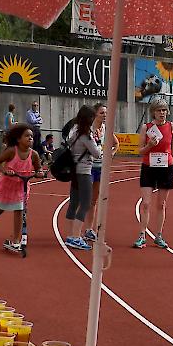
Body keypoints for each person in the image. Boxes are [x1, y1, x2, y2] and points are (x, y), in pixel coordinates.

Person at [0, 124, 44, 252]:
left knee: (19, 210)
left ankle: (16, 240)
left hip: (22, 186)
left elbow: (38, 168)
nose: (30, 138)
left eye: (32, 136)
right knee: (0, 209)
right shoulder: (11, 151)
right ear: (18, 139)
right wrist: (4, 171)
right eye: (27, 136)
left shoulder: (34, 154)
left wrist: (40, 173)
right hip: (7, 186)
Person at [133, 96, 173, 249]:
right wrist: (150, 145)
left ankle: (158, 235)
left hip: (166, 167)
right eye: (159, 110)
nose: (162, 113)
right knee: (145, 203)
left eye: (164, 110)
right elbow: (140, 151)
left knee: (161, 204)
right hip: (149, 167)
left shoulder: (172, 127)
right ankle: (142, 235)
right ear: (153, 112)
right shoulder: (146, 128)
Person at [64, 105, 102, 251]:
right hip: (84, 170)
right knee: (85, 203)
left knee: (74, 202)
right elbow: (96, 153)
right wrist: (97, 141)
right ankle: (75, 237)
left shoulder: (74, 130)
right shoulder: (86, 134)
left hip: (74, 169)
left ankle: (70, 234)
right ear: (89, 118)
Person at [84, 102, 119, 242]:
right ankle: (76, 229)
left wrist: (111, 153)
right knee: (84, 199)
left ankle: (89, 229)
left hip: (100, 168)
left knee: (93, 200)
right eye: (102, 113)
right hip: (88, 166)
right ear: (95, 114)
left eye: (106, 113)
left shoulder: (106, 128)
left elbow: (116, 143)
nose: (105, 116)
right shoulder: (88, 129)